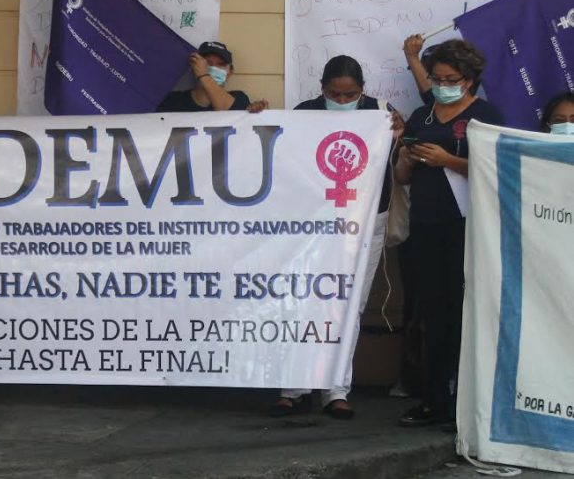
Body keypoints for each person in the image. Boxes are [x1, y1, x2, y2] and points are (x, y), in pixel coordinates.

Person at [270, 56, 403, 420]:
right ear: (322, 90)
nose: (342, 101)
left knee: (348, 305)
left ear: (363, 90)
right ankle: (294, 388)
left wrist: (398, 136)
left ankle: (336, 390)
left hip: (364, 222)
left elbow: (398, 166)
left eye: (350, 95)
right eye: (334, 95)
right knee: (301, 299)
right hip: (312, 222)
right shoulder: (304, 113)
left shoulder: (382, 113)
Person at [395, 39, 502, 429]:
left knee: (466, 312)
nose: (442, 85)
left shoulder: (486, 115)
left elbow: (497, 169)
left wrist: (449, 160)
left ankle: (467, 402)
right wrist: (407, 159)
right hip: (425, 225)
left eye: (450, 79)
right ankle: (434, 399)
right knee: (433, 313)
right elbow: (402, 177)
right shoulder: (421, 115)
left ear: (469, 80)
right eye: (437, 78)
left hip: (469, 225)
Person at [156, 41, 269, 113]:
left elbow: (228, 112)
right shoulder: (173, 101)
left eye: (221, 64)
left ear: (230, 72)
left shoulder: (239, 98)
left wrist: (259, 113)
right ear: (194, 66)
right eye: (207, 63)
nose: (214, 68)